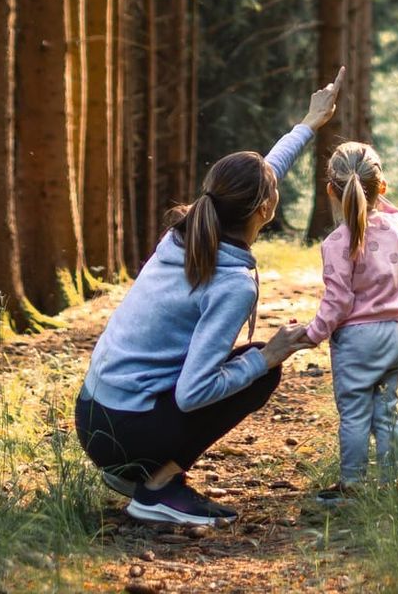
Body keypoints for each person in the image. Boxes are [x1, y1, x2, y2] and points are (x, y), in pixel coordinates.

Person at [73, 70, 343, 526]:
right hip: (123, 431)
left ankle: (140, 471)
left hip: (95, 415)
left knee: (251, 363)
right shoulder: (231, 284)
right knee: (259, 371)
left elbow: (263, 175)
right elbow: (194, 392)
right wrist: (270, 355)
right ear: (264, 210)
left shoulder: (186, 231)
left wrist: (308, 124)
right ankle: (155, 490)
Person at [300, 141, 398, 502]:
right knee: (387, 410)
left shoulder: (337, 243)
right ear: (381, 187)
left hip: (356, 341)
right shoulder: (395, 228)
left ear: (330, 190)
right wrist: (379, 196)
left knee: (354, 415)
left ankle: (352, 485)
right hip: (393, 336)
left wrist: (313, 334)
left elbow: (338, 301)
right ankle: (391, 483)